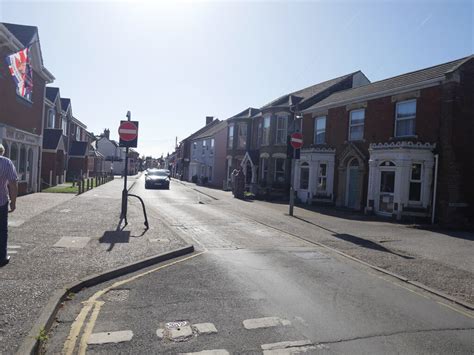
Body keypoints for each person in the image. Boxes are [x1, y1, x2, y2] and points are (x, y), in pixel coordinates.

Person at [0, 144, 18, 267]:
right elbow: (13, 183)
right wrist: (13, 201)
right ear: (2, 151)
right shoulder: (6, 163)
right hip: (1, 202)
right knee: (2, 230)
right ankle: (2, 257)